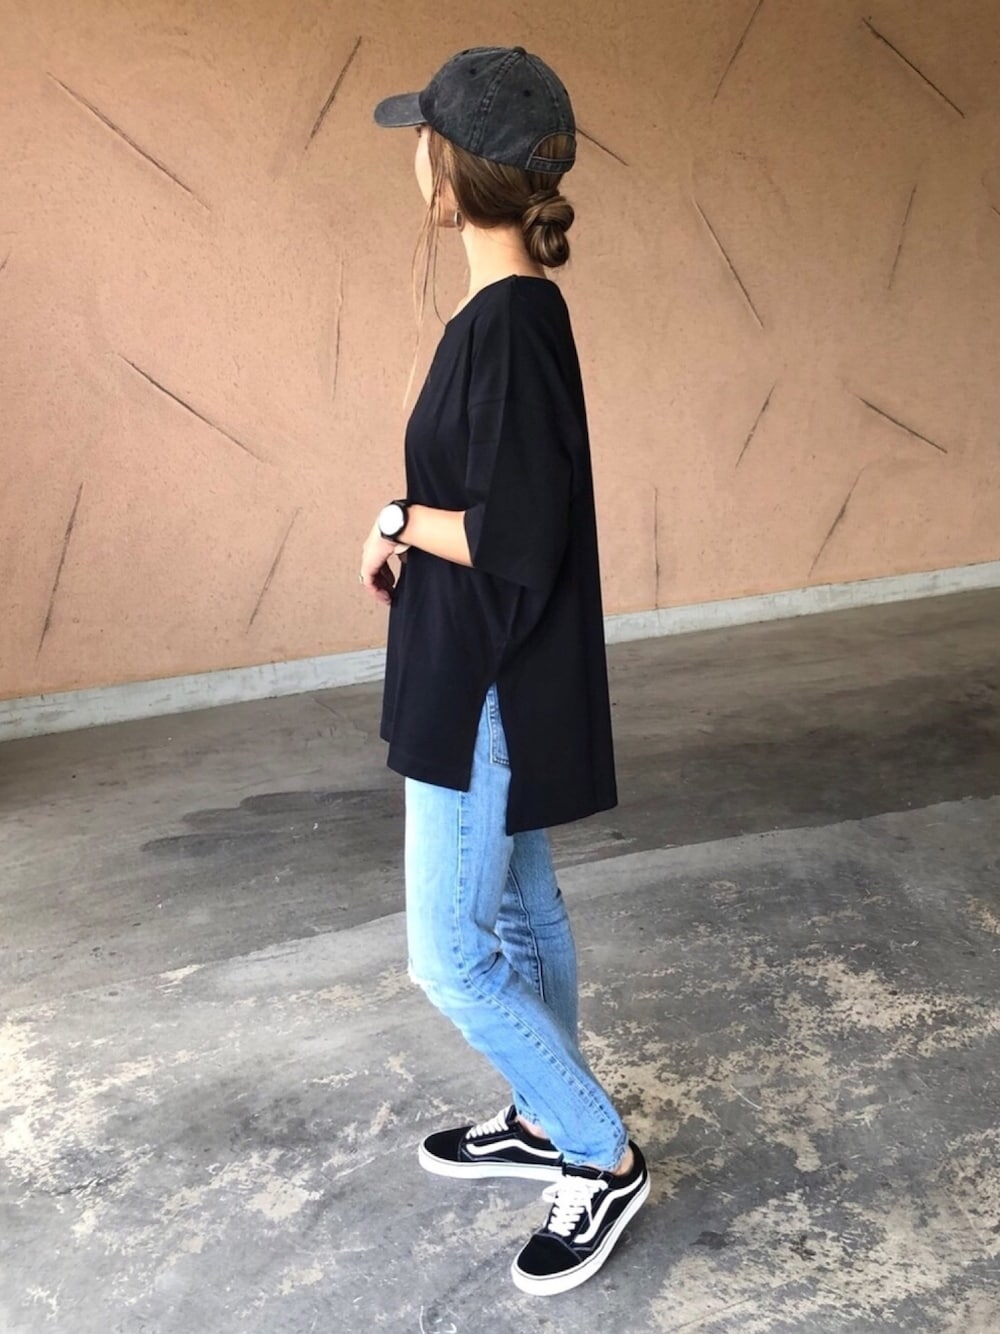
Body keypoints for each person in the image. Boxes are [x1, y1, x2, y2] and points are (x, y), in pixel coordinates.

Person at [359, 45, 648, 1296]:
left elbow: (510, 533)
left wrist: (396, 519)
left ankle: (596, 1149)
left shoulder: (513, 323)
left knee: (451, 955)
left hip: (480, 675)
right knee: (521, 908)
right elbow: (494, 503)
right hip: (485, 658)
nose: (413, 160)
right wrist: (407, 527)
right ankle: (542, 1115)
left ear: (447, 171)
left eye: (420, 141)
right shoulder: (508, 315)